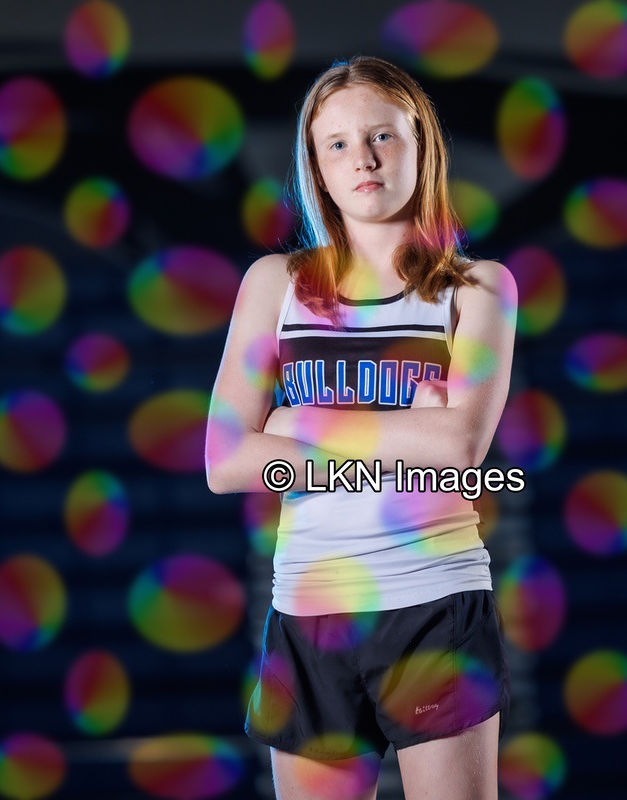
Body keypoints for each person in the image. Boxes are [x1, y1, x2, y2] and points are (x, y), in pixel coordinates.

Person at [205, 55, 517, 800]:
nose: (363, 159)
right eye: (338, 143)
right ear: (315, 165)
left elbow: (460, 449)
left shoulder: (478, 289)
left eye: (382, 136)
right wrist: (408, 431)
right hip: (308, 611)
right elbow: (225, 460)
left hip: (435, 604)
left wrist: (297, 422)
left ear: (421, 145)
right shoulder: (275, 285)